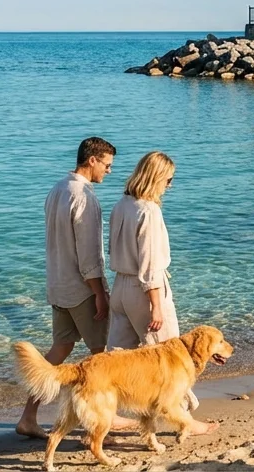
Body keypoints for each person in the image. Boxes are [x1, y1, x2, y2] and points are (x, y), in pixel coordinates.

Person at [16, 136, 121, 440]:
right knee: (104, 357)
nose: (109, 171)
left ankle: (28, 417)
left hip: (57, 285)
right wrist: (101, 293)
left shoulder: (57, 189)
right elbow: (88, 255)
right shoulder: (84, 197)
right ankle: (105, 420)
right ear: (92, 160)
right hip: (81, 290)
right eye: (107, 164)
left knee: (58, 353)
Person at [108, 151, 217, 434]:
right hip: (145, 290)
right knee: (172, 360)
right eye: (168, 179)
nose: (170, 185)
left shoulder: (122, 205)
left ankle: (105, 415)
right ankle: (185, 420)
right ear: (156, 178)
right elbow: (150, 263)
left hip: (119, 286)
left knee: (118, 358)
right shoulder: (149, 211)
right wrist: (156, 304)